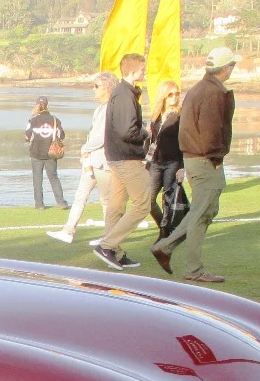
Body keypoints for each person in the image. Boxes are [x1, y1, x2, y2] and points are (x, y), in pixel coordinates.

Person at [149, 47, 241, 284]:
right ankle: (192, 266)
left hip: (195, 158)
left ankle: (166, 248)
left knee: (206, 210)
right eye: (232, 65)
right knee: (202, 212)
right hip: (205, 159)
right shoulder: (212, 93)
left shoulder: (200, 89)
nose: (233, 69)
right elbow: (212, 130)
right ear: (225, 68)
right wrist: (216, 157)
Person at [93, 53, 152, 270]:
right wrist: (145, 132)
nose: (145, 72)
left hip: (117, 156)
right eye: (143, 69)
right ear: (134, 70)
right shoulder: (125, 94)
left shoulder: (122, 93)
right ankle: (107, 245)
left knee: (116, 204)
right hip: (126, 157)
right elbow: (127, 130)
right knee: (142, 204)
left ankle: (114, 251)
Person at [47, 74, 115, 243]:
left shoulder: (111, 108)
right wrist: (86, 153)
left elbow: (102, 137)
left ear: (107, 88)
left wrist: (85, 149)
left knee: (106, 200)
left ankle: (109, 238)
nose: (93, 89)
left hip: (103, 161)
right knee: (80, 195)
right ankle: (68, 230)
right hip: (91, 159)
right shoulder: (99, 108)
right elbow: (94, 134)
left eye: (96, 86)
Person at [147, 81, 186, 239]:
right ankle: (165, 226)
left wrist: (182, 167)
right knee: (148, 200)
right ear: (163, 96)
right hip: (155, 162)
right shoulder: (156, 115)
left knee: (168, 198)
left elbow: (185, 142)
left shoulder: (181, 115)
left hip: (173, 162)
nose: (174, 97)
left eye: (177, 94)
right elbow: (153, 141)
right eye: (170, 94)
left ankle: (164, 232)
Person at [24, 96, 66, 209]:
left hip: (36, 153)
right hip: (51, 154)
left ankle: (39, 204)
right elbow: (61, 135)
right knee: (53, 178)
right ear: (48, 106)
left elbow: (27, 137)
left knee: (37, 179)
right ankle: (61, 203)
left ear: (36, 105)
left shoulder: (32, 120)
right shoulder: (55, 120)